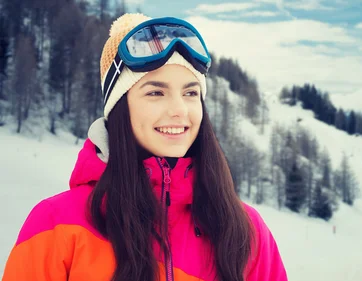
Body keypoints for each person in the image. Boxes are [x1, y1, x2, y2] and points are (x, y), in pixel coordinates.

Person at [2, 13, 288, 281]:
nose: (179, 109)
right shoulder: (56, 225)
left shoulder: (245, 230)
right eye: (155, 92)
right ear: (120, 107)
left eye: (190, 92)